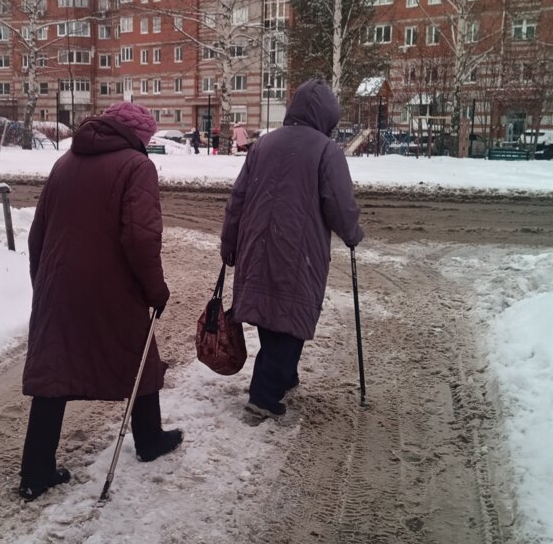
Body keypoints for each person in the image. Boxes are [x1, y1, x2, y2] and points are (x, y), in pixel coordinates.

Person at [19, 101, 183, 501]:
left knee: (55, 367)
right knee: (139, 353)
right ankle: (149, 440)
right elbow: (142, 238)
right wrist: (155, 290)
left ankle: (35, 471)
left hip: (59, 281)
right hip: (112, 284)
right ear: (139, 136)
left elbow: (37, 232)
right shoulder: (137, 166)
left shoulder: (65, 162)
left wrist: (43, 281)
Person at [220, 79, 365, 419]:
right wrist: (352, 233)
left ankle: (283, 376)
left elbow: (236, 199)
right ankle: (263, 397)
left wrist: (230, 242)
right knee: (289, 317)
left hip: (257, 244)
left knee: (274, 315)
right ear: (328, 115)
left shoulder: (263, 145)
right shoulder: (326, 151)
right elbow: (340, 205)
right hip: (299, 253)